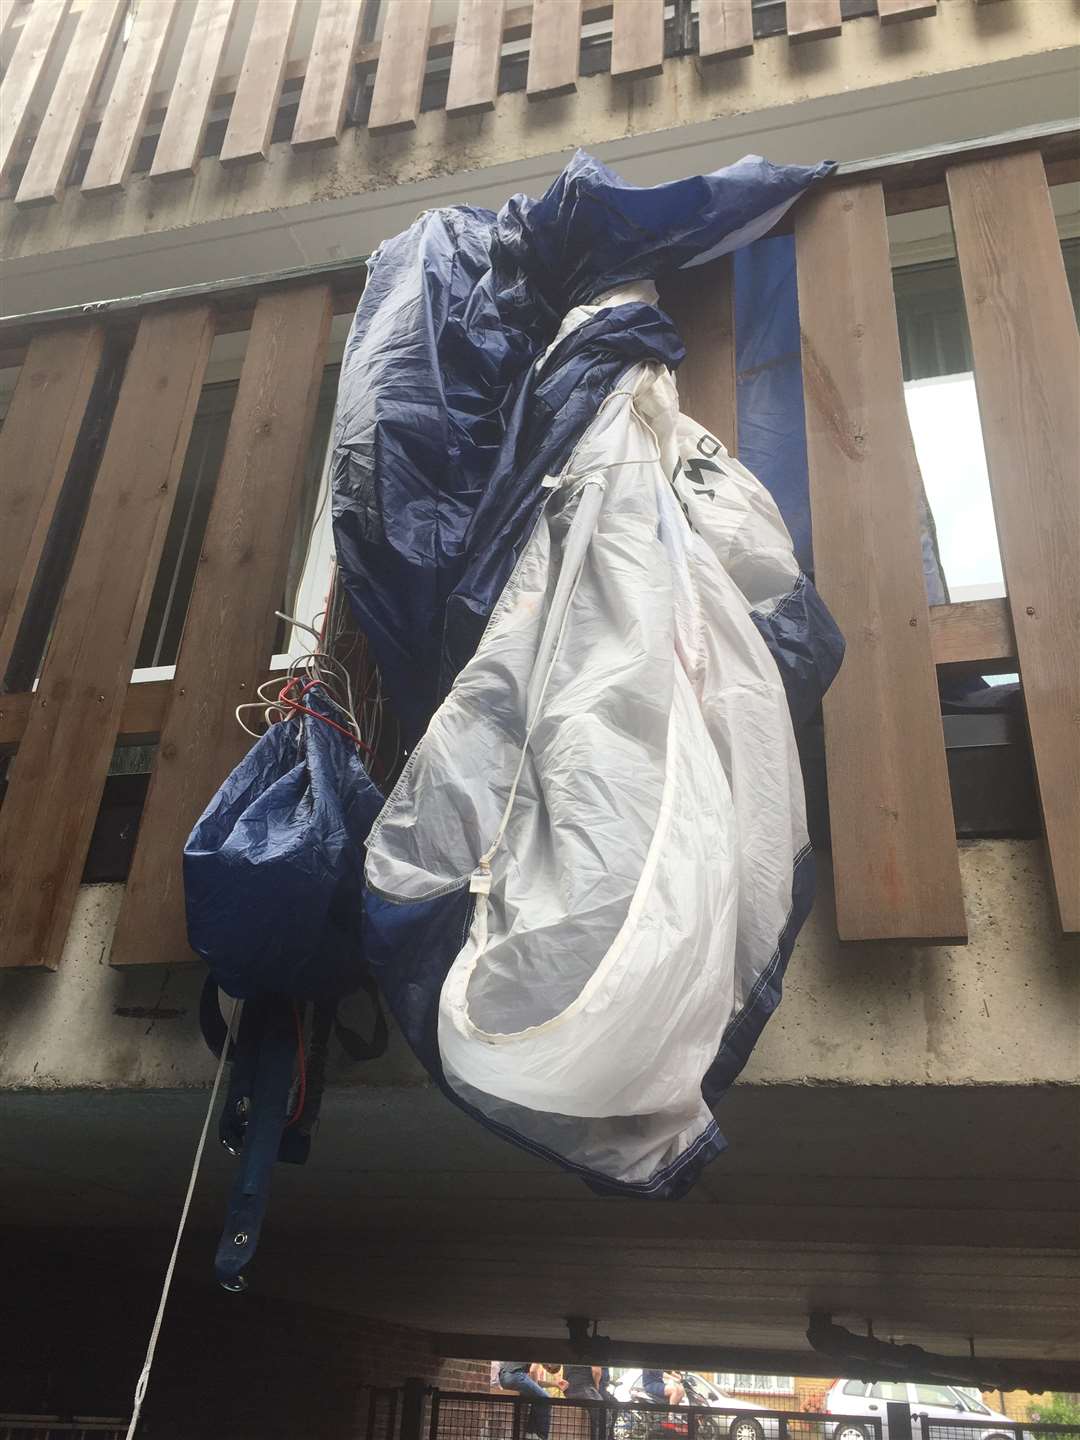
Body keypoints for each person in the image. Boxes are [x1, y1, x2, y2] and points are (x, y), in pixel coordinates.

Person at [498, 1361, 559, 1440]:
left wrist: (555, 1384)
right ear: (551, 1363)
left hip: (505, 1378)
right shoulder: (543, 1352)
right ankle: (540, 1436)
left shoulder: (522, 1363)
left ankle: (531, 1433)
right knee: (546, 1399)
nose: (545, 1368)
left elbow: (531, 1383)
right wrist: (538, 1392)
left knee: (538, 1397)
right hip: (515, 1376)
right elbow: (533, 1371)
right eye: (548, 1368)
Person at [565, 1364, 605, 1440]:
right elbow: (597, 1371)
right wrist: (596, 1387)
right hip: (584, 1387)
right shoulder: (592, 1352)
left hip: (569, 1389)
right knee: (603, 1413)